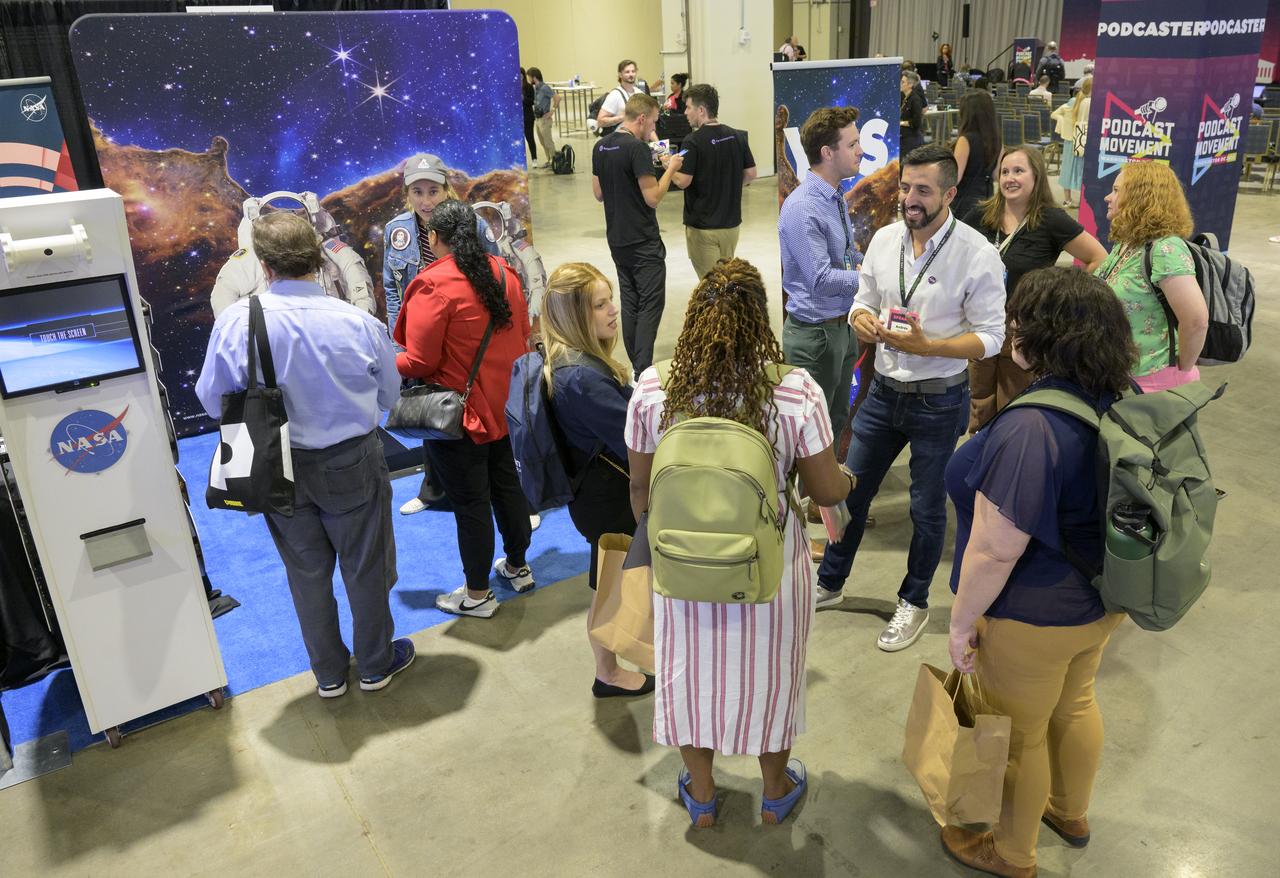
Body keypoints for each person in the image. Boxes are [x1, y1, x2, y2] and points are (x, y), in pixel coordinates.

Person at [624, 257, 856, 829]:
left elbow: (639, 491)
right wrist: (848, 477)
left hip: (681, 562)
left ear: (694, 316)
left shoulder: (654, 388)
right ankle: (775, 793)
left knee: (688, 671)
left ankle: (701, 797)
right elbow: (826, 490)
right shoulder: (794, 391)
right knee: (772, 674)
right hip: (767, 563)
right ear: (763, 322)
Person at [941, 266, 1135, 878]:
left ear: (1043, 335)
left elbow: (995, 550)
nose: (1011, 329)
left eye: (1020, 320)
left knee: (1018, 738)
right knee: (1075, 705)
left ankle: (1011, 852)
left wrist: (960, 621)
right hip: (1100, 602)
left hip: (1031, 614)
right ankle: (1069, 811)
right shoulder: (1115, 396)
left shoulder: (1030, 426)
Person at [196, 212, 413, 698]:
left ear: (263, 265)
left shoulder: (236, 322)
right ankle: (376, 665)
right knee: (365, 566)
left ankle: (329, 676)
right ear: (319, 258)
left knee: (306, 573)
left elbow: (212, 400)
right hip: (351, 461)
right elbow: (388, 395)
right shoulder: (356, 321)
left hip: (275, 467)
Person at [816, 144, 1006, 653]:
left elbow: (992, 337)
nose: (910, 199)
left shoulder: (976, 253)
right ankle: (829, 584)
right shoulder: (883, 240)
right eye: (905, 188)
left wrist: (932, 346)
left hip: (938, 401)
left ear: (949, 193)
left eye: (923, 190)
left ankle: (914, 601)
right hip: (881, 393)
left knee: (926, 510)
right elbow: (862, 300)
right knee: (847, 492)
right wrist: (862, 319)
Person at [394, 200, 534, 619]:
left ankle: (476, 594)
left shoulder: (432, 284)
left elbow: (417, 361)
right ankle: (518, 567)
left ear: (433, 238)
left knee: (471, 504)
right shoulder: (504, 272)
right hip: (504, 406)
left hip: (461, 416)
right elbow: (523, 335)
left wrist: (380, 362)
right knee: (507, 487)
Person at [540, 262, 653, 699]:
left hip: (596, 493)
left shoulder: (573, 362)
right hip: (607, 497)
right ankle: (607, 672)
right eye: (600, 305)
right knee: (610, 587)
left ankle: (609, 667)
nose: (613, 312)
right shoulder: (583, 378)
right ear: (574, 315)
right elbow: (635, 439)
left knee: (608, 582)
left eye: (611, 301)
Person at [964, 145, 1107, 430]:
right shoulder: (981, 216)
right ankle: (979, 457)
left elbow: (1098, 258)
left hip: (1024, 327)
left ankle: (1008, 457)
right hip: (980, 322)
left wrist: (1060, 300)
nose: (1009, 178)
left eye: (1018, 171)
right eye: (1005, 172)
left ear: (1036, 176)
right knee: (978, 399)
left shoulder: (1051, 220)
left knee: (1014, 400)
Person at [778, 106, 863, 448]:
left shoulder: (834, 198)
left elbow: (846, 256)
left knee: (835, 422)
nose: (861, 150)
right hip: (815, 337)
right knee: (808, 436)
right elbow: (821, 278)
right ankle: (806, 499)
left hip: (840, 328)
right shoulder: (804, 207)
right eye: (853, 144)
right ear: (828, 153)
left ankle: (823, 498)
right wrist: (872, 277)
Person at [1095, 162, 1208, 392]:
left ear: (1141, 197)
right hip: (1123, 375)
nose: (1108, 197)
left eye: (1117, 191)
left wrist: (1181, 370)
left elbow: (1196, 320)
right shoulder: (1128, 244)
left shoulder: (1166, 249)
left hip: (1154, 382)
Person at [592, 92, 683, 377]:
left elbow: (598, 193)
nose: (653, 129)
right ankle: (643, 369)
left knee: (630, 300)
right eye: (653, 122)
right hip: (643, 240)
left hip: (617, 238)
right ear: (642, 119)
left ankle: (636, 364)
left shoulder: (601, 147)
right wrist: (670, 169)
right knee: (651, 302)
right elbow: (653, 197)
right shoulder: (638, 150)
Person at [673, 83, 757, 279]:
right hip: (731, 226)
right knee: (725, 279)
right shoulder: (737, 136)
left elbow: (683, 181)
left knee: (711, 287)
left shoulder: (692, 141)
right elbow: (751, 173)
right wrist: (728, 185)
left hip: (703, 229)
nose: (685, 112)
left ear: (701, 110)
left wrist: (670, 169)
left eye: (688, 107)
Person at [952, 90, 1001, 222]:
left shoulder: (965, 140)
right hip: (988, 195)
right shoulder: (997, 140)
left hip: (965, 199)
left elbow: (955, 177)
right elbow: (997, 175)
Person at [1052, 78, 1091, 208]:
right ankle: (1084, 201)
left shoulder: (1073, 101)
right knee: (1083, 170)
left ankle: (1067, 200)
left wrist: (1062, 122)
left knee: (1067, 170)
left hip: (1070, 140)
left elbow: (1055, 113)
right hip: (1084, 140)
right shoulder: (1091, 103)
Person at [596, 59, 647, 135]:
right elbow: (600, 122)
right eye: (627, 72)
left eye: (633, 71)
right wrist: (623, 117)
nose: (631, 74)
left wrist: (659, 144)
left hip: (637, 139)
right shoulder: (614, 95)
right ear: (620, 75)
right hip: (620, 140)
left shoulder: (640, 93)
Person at [528, 67, 560, 169]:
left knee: (548, 141)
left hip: (545, 119)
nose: (529, 79)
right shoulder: (535, 89)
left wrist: (552, 111)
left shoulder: (545, 88)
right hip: (537, 119)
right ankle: (549, 160)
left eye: (529, 77)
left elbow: (557, 97)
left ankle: (555, 161)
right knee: (542, 142)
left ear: (534, 77)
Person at [900, 70, 926, 154]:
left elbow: (916, 122)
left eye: (903, 82)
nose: (900, 84)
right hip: (905, 138)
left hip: (912, 140)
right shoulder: (904, 98)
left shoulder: (915, 100)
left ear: (910, 84)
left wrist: (901, 123)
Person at [520, 67, 537, 166]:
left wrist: (523, 99)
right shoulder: (512, 87)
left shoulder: (529, 87)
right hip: (517, 118)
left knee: (530, 137)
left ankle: (534, 158)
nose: (519, 76)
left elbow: (532, 101)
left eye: (521, 73)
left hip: (528, 117)